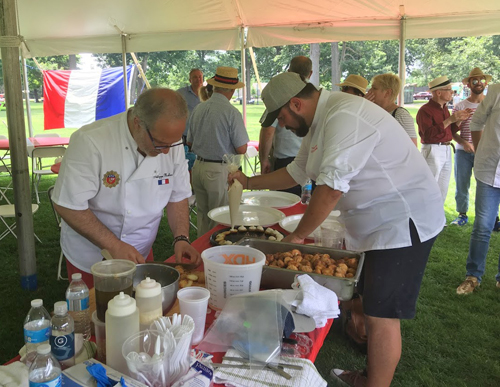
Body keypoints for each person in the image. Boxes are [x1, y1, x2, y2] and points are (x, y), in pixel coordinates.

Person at [229, 72, 445, 387]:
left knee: (381, 316)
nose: (282, 125)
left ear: (296, 104)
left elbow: (330, 190)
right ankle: (369, 376)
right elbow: (296, 172)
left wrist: (297, 239)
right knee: (372, 304)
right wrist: (248, 182)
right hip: (378, 225)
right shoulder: (320, 120)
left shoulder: (344, 115)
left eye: (282, 117)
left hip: (403, 223)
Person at [52, 88, 201, 288]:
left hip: (139, 252)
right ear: (138, 123)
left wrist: (181, 238)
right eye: (159, 144)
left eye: (172, 144)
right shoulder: (90, 141)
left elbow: (178, 196)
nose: (166, 151)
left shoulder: (170, 144)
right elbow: (68, 204)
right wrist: (114, 245)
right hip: (91, 257)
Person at [187, 66, 249, 237]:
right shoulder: (231, 112)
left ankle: (202, 252)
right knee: (220, 218)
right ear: (231, 90)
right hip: (218, 169)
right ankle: (215, 254)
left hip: (198, 166)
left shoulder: (199, 108)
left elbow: (189, 141)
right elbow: (241, 148)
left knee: (203, 216)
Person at [456, 83, 500, 294]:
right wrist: (481, 150)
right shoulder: (497, 91)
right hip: (489, 169)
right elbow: (477, 121)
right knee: (483, 226)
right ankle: (473, 276)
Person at [259, 56, 312, 196]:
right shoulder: (313, 96)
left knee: (285, 206)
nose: (282, 123)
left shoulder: (281, 97)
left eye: (282, 118)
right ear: (310, 73)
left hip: (287, 162)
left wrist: (264, 159)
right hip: (308, 161)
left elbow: (268, 130)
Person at [416, 76, 472, 202]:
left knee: (442, 188)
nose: (452, 92)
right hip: (433, 149)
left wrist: (458, 121)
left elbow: (449, 132)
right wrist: (450, 120)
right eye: (449, 89)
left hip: (446, 149)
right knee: (429, 187)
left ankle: (438, 219)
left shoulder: (445, 109)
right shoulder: (425, 110)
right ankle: (424, 218)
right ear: (439, 92)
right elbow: (428, 135)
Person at [450, 68, 492, 226]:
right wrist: (464, 143)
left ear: (486, 83)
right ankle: (462, 215)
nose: (478, 83)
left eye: (481, 80)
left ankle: (491, 217)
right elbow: (452, 132)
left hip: (487, 152)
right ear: (468, 84)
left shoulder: (492, 104)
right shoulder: (460, 106)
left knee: (488, 185)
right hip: (463, 153)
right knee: (462, 184)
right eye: (474, 81)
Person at [365, 73, 418, 146]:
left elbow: (412, 147)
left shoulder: (401, 115)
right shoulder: (373, 111)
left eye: (374, 88)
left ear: (387, 93)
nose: (369, 91)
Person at [177, 68, 204, 144]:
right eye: (195, 77)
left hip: (203, 135)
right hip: (186, 134)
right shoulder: (181, 93)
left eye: (200, 77)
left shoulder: (208, 93)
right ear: (190, 80)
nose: (198, 79)